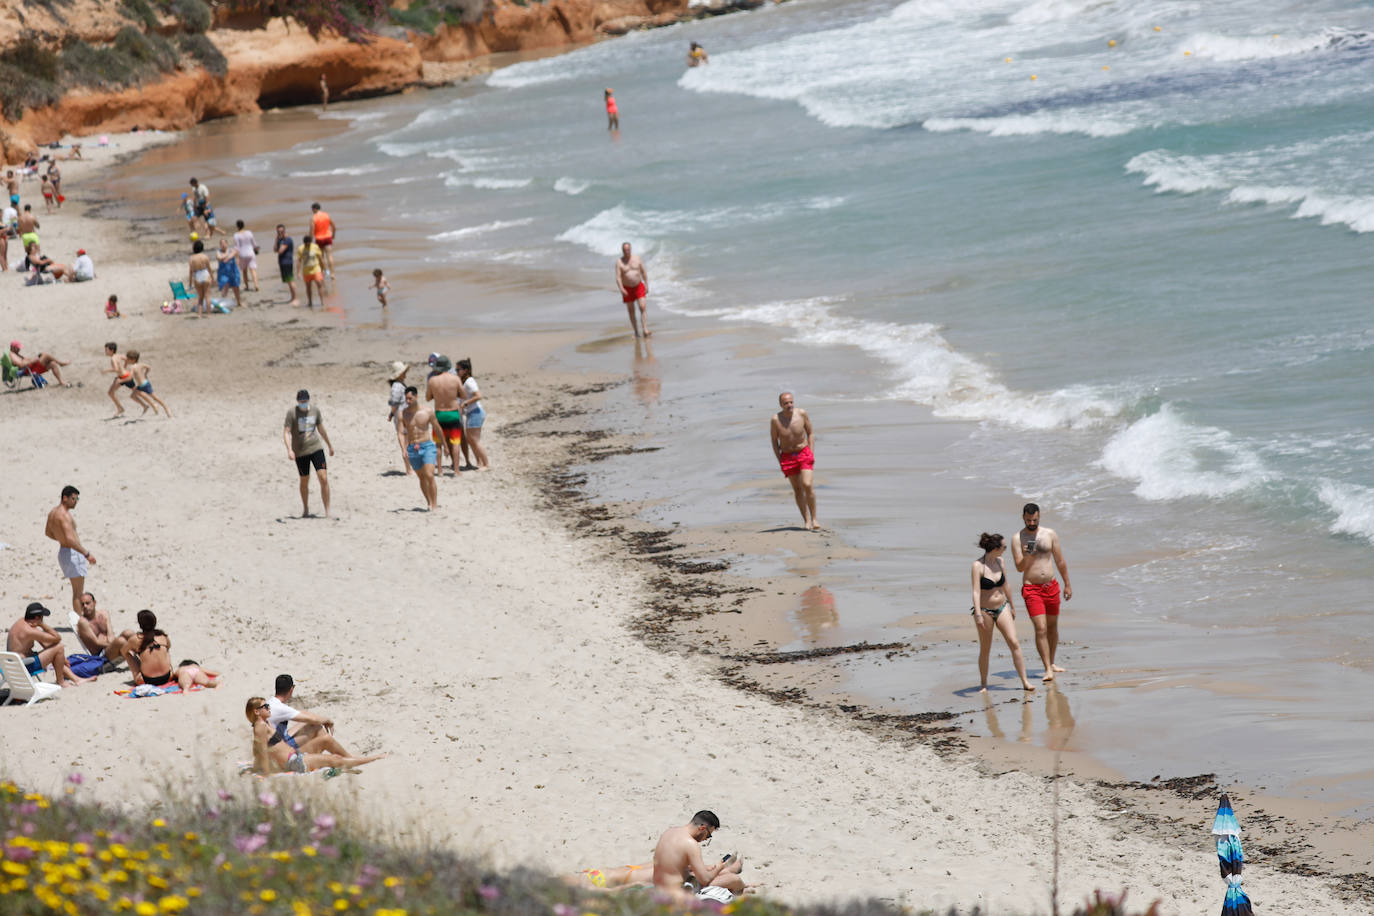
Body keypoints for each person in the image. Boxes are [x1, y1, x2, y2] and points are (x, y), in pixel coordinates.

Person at [1010, 502, 1073, 682]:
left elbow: (1060, 561)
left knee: (1052, 627)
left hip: (1051, 586)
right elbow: (1019, 568)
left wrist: (1067, 584)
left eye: (1035, 520)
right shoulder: (1017, 538)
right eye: (1029, 520)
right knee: (1041, 628)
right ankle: (1047, 668)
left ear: (1039, 517)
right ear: (1023, 517)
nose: (1032, 523)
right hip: (1032, 588)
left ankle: (1052, 662)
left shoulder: (1049, 534)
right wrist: (1028, 554)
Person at [247, 697, 384, 775]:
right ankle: (370, 759)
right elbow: (260, 750)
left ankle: (352, 758)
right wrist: (265, 773)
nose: (269, 708)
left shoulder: (265, 723)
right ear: (256, 711)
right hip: (294, 763)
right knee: (334, 760)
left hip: (295, 756)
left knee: (326, 739)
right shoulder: (260, 726)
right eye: (265, 706)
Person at [970, 533, 1034, 693]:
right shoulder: (978, 566)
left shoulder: (1000, 561)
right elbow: (976, 592)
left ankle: (1025, 681)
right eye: (1004, 547)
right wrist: (977, 614)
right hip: (984, 610)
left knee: (1014, 642)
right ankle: (983, 683)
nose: (1005, 550)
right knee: (986, 648)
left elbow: (1006, 586)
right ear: (996, 548)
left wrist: (1012, 606)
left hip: (1002, 606)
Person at [652, 811, 746, 903]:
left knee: (714, 871)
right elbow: (705, 880)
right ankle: (735, 882)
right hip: (678, 893)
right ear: (702, 828)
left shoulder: (669, 832)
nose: (706, 839)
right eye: (708, 835)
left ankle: (731, 870)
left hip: (660, 887)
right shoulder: (690, 844)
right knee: (733, 879)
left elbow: (673, 864)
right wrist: (718, 867)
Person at [6, 602, 91, 687]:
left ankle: (76, 679)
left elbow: (46, 644)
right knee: (59, 648)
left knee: (57, 652)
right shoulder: (30, 631)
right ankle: (61, 682)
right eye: (42, 617)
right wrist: (42, 625)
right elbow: (57, 638)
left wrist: (63, 659)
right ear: (37, 618)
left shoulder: (21, 623)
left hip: (13, 665)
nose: (43, 619)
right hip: (24, 667)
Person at [266, 674, 353, 754]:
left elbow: (303, 714)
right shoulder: (281, 708)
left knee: (307, 722)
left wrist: (320, 720)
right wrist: (328, 720)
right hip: (280, 749)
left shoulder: (271, 702)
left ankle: (321, 755)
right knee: (316, 727)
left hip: (273, 743)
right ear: (291, 689)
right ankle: (344, 758)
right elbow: (313, 720)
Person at [769, 392, 818, 530]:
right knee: (797, 489)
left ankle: (814, 519)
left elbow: (810, 433)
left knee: (807, 485)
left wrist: (811, 453)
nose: (789, 405)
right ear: (781, 405)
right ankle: (807, 520)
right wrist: (779, 459)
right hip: (787, 456)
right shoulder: (775, 420)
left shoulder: (801, 413)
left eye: (791, 402)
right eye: (786, 403)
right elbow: (774, 440)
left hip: (804, 453)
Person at [45, 485, 95, 617]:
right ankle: (80, 622)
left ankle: (80, 621)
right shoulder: (64, 515)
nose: (76, 501)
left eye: (77, 499)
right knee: (78, 592)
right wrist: (86, 554)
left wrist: (62, 539)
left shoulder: (52, 513)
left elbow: (48, 533)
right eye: (73, 498)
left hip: (63, 551)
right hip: (72, 553)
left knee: (76, 591)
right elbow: (70, 539)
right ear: (64, 498)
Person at [284, 389, 334, 517]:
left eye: (305, 401)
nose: (303, 403)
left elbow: (321, 429)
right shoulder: (292, 413)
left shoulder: (315, 411)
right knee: (304, 480)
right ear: (298, 401)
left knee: (323, 478)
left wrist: (329, 445)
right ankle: (305, 509)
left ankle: (328, 510)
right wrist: (289, 449)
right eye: (301, 402)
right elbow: (286, 432)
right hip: (300, 452)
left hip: (316, 448)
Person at [398, 386, 443, 510]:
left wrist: (443, 444)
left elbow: (437, 428)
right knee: (421, 477)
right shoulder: (403, 414)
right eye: (406, 399)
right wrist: (403, 449)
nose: (408, 401)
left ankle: (434, 504)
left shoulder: (428, 411)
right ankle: (428, 502)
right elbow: (401, 433)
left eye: (410, 398)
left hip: (427, 445)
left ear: (416, 397)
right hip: (412, 448)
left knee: (429, 475)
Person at [424, 355, 463, 476]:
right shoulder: (455, 379)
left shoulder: (432, 380)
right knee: (456, 443)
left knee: (438, 444)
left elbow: (428, 398)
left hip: (439, 414)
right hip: (453, 413)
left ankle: (440, 470)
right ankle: (456, 470)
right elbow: (463, 395)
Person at [74, 592, 134, 669]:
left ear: (94, 603)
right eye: (82, 604)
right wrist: (115, 644)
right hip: (100, 656)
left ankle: (145, 658)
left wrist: (113, 643)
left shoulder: (104, 614)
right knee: (121, 641)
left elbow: (110, 633)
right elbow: (96, 642)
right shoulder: (83, 622)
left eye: (87, 603)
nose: (85, 606)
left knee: (129, 632)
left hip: (111, 646)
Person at [102, 341, 152, 417]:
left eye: (106, 350)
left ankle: (147, 405)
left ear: (112, 350)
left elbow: (116, 369)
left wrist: (106, 371)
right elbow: (126, 359)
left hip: (124, 377)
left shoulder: (113, 358)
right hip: (123, 376)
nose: (105, 352)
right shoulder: (118, 355)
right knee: (111, 392)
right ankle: (121, 408)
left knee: (136, 392)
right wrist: (124, 368)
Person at [457, 358, 489, 471]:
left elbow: (478, 395)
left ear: (465, 370)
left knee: (474, 440)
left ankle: (486, 464)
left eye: (458, 369)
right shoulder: (464, 381)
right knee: (470, 440)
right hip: (471, 413)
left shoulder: (469, 381)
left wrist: (465, 403)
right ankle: (479, 462)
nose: (456, 372)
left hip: (476, 412)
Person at [615, 242, 651, 337]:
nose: (626, 251)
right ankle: (636, 331)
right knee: (631, 310)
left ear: (630, 249)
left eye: (628, 249)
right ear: (622, 251)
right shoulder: (619, 262)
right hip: (627, 289)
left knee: (642, 307)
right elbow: (618, 277)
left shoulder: (637, 258)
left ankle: (645, 329)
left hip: (638, 286)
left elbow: (643, 272)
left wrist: (646, 284)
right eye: (624, 250)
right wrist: (621, 288)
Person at [386, 362, 413, 475]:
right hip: (403, 416)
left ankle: (409, 468)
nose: (405, 375)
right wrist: (391, 414)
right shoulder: (398, 386)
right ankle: (409, 469)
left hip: (402, 415)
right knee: (406, 442)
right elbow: (395, 403)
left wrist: (392, 414)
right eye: (403, 372)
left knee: (406, 441)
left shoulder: (398, 385)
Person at [127, 349, 172, 417]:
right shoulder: (141, 364)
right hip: (143, 384)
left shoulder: (132, 367)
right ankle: (149, 406)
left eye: (128, 359)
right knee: (133, 395)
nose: (127, 360)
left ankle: (166, 408)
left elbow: (130, 376)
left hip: (144, 385)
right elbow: (148, 367)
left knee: (155, 397)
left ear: (133, 359)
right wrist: (145, 374)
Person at [309, 203, 336, 279]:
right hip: (328, 237)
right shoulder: (326, 215)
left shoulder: (313, 218)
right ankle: (332, 274)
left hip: (319, 238)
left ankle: (323, 272)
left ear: (314, 209)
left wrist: (310, 241)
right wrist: (333, 235)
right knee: (329, 256)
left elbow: (312, 230)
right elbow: (334, 226)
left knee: (321, 257)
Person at [273, 224, 298, 306]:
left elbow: (280, 251)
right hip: (282, 262)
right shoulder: (280, 240)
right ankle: (292, 297)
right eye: (278, 232)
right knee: (288, 281)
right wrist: (276, 240)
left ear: (284, 231)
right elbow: (275, 250)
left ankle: (296, 299)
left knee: (291, 281)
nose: (280, 233)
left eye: (281, 231)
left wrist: (279, 244)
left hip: (287, 262)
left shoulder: (287, 239)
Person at [215, 237, 243, 309]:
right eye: (221, 244)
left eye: (224, 243)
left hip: (233, 272)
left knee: (236, 287)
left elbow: (233, 254)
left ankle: (239, 302)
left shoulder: (232, 250)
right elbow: (219, 258)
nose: (223, 245)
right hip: (223, 273)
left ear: (227, 244)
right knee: (225, 286)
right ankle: (223, 303)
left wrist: (226, 257)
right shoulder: (218, 252)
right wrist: (226, 257)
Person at [298, 233, 324, 307]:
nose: (308, 245)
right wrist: (298, 272)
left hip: (316, 269)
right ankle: (310, 302)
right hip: (306, 271)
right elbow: (299, 260)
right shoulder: (301, 248)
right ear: (304, 243)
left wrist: (323, 269)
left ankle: (322, 302)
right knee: (308, 287)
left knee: (319, 285)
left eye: (309, 244)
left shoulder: (315, 247)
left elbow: (320, 258)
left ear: (311, 242)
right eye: (306, 244)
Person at [233, 219, 259, 291]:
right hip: (250, 253)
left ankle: (247, 286)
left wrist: (237, 257)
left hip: (242, 254)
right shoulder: (249, 233)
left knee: (244, 271)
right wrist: (256, 249)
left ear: (237, 226)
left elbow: (237, 247)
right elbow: (254, 243)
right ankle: (256, 285)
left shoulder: (236, 235)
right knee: (253, 270)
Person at [188, 239, 212, 314]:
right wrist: (212, 278)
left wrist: (190, 283)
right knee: (207, 296)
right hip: (205, 273)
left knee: (200, 297)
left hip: (197, 274)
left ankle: (199, 314)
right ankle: (208, 314)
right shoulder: (205, 257)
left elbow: (191, 271)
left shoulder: (192, 258)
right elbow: (209, 268)